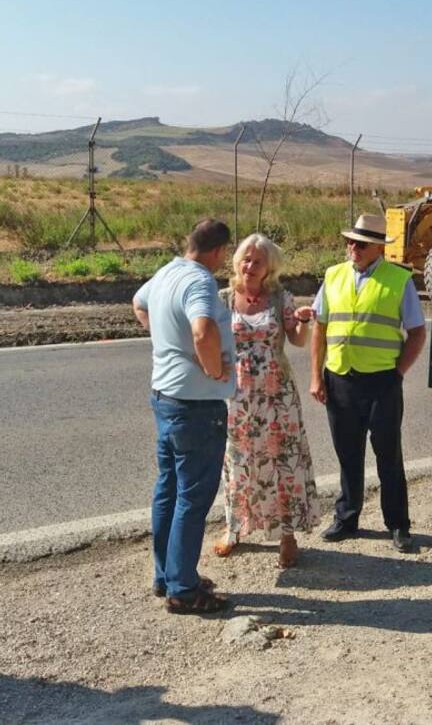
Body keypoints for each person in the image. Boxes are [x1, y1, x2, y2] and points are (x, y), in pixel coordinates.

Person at [133, 218, 236, 615]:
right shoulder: (199, 282)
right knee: (192, 497)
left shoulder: (166, 273)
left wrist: (164, 342)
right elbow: (203, 331)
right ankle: (184, 590)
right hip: (196, 404)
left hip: (166, 397)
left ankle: (167, 574)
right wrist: (213, 368)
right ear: (219, 251)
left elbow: (139, 303)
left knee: (170, 489)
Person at [309, 213, 427, 553]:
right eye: (350, 242)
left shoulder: (399, 280)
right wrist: (316, 376)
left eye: (360, 244)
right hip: (340, 378)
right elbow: (320, 327)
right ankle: (347, 518)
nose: (353, 248)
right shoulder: (333, 275)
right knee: (348, 453)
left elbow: (417, 332)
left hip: (382, 382)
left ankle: (398, 524)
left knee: (388, 455)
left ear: (378, 248)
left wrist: (397, 373)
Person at [213, 233, 320, 568]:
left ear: (268, 267)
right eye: (246, 259)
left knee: (282, 461)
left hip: (277, 396)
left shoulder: (279, 298)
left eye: (257, 261)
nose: (249, 266)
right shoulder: (223, 298)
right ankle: (235, 527)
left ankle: (287, 535)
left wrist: (304, 321)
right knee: (238, 460)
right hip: (237, 396)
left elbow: (298, 340)